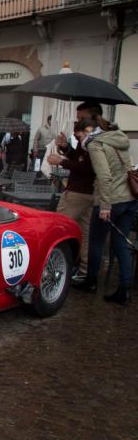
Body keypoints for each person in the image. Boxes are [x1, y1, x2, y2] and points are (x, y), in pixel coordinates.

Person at [73, 113, 137, 306]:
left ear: (87, 131)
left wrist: (105, 205)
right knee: (121, 244)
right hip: (130, 199)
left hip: (111, 200)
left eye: (79, 137)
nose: (80, 142)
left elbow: (104, 176)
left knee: (96, 243)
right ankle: (124, 290)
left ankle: (91, 282)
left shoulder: (95, 144)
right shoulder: (119, 138)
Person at [47, 120, 95, 282]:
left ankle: (53, 264)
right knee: (84, 231)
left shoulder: (92, 143)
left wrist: (61, 161)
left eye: (79, 135)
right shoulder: (89, 143)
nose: (79, 137)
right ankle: (84, 269)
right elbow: (80, 159)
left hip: (77, 193)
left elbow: (87, 167)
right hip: (89, 193)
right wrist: (66, 148)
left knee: (59, 226)